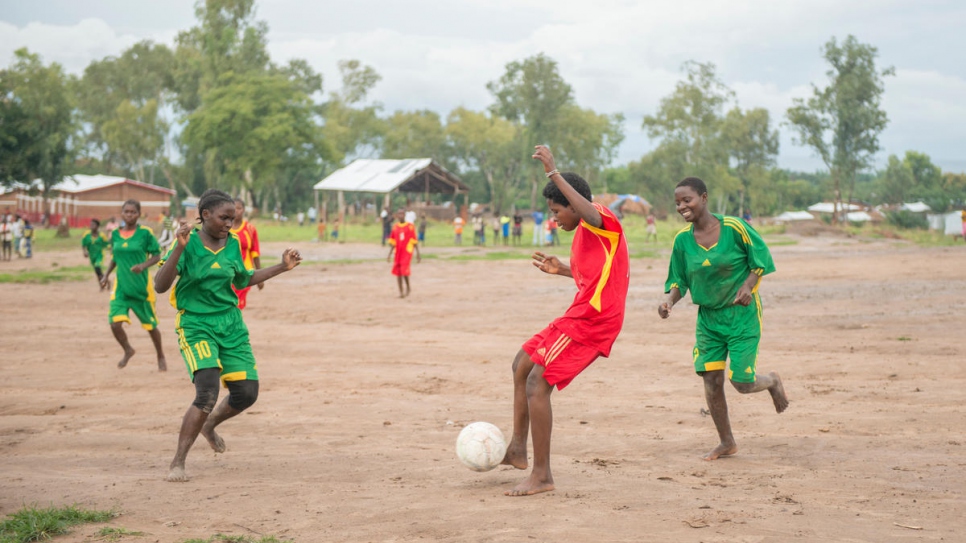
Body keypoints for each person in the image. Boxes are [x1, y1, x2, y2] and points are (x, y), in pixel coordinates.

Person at [501, 145, 630, 497]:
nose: (554, 218)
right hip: (581, 312)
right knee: (520, 364)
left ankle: (542, 476)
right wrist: (562, 270)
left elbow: (589, 212)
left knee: (537, 384)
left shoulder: (602, 221)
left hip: (594, 320)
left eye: (557, 210)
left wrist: (552, 172)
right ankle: (517, 448)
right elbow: (596, 276)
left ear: (574, 205)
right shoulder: (585, 236)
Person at [155, 189, 303, 482]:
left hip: (231, 324)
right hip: (196, 324)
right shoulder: (186, 243)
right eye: (224, 217)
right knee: (207, 391)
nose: (229, 224)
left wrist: (282, 268)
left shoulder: (234, 243)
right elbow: (160, 285)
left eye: (233, 219)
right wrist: (178, 249)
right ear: (205, 214)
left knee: (247, 393)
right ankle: (178, 462)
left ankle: (209, 426)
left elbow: (244, 278)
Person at [658, 177, 788, 461]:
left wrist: (748, 285)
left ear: (704, 198)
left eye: (687, 200)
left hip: (742, 316)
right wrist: (668, 301)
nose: (682, 207)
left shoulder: (733, 227)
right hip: (708, 320)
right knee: (712, 381)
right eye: (678, 203)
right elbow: (678, 281)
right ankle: (726, 442)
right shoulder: (682, 241)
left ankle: (772, 382)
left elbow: (760, 257)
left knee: (741, 382)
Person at [100, 199, 167, 371]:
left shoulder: (145, 233)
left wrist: (143, 266)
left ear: (138, 214)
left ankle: (160, 355)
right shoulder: (115, 234)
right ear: (121, 213)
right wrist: (106, 275)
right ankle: (128, 349)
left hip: (140, 289)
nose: (129, 215)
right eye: (126, 212)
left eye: (133, 212)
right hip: (121, 288)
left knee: (151, 326)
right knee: (114, 324)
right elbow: (115, 257)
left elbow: (157, 255)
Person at [229, 198, 263, 310]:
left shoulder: (250, 229)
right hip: (227, 272)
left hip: (244, 272)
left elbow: (255, 253)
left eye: (239, 208)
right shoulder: (224, 228)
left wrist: (260, 278)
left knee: (238, 305)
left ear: (244, 210)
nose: (236, 211)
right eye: (234, 208)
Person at [386, 209, 421, 298]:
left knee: (404, 270)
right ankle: (401, 292)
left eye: (402, 214)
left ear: (405, 215)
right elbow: (393, 242)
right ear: (397, 216)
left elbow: (414, 241)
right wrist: (389, 254)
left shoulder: (410, 227)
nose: (400, 216)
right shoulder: (395, 227)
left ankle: (408, 287)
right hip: (398, 252)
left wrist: (418, 254)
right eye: (399, 214)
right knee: (398, 272)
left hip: (406, 252)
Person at [82, 219, 111, 289]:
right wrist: (85, 251)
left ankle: (103, 282)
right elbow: (83, 245)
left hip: (100, 255)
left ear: (97, 226)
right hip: (92, 256)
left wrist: (111, 250)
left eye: (93, 225)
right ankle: (104, 282)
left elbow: (107, 244)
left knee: (97, 268)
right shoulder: (86, 234)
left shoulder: (102, 236)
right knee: (97, 272)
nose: (91, 226)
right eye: (90, 225)